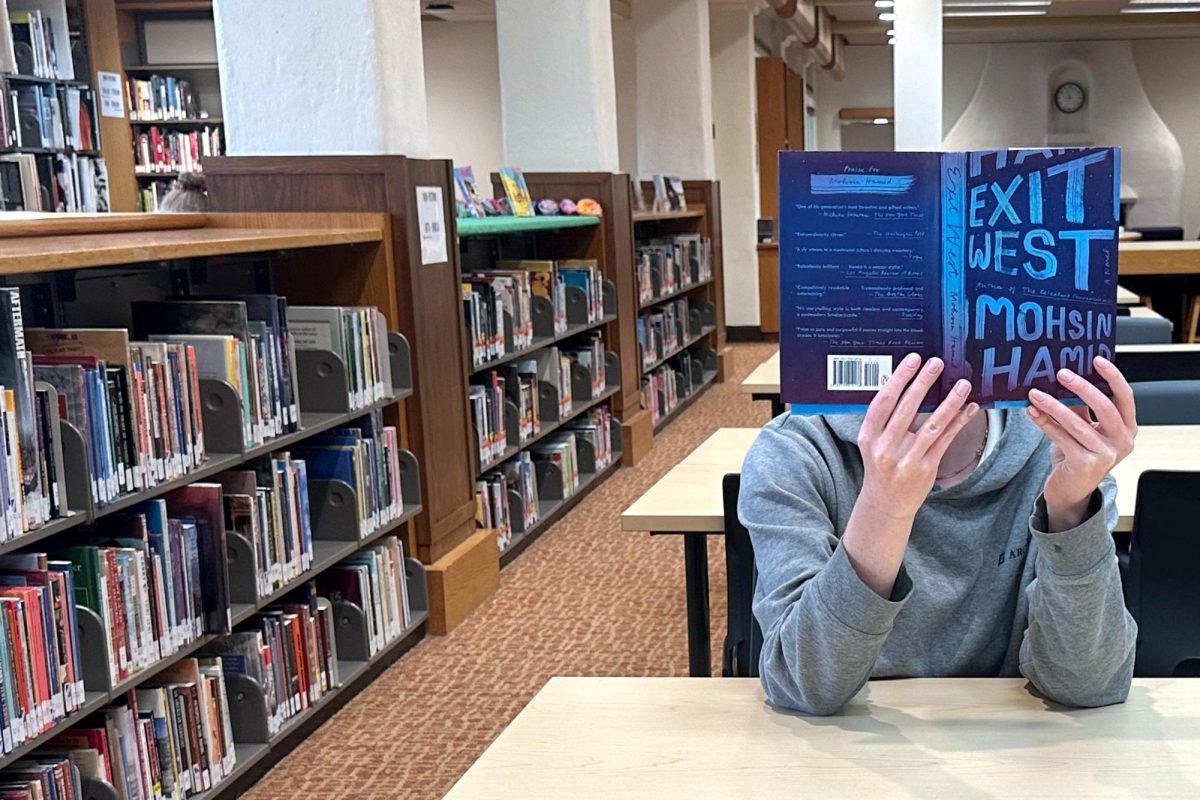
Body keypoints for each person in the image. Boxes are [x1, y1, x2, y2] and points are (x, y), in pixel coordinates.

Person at [739, 354, 1138, 715]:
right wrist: (885, 509)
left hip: (1016, 754)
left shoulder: (1059, 452)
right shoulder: (795, 453)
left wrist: (1069, 510)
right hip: (849, 759)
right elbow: (805, 685)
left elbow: (1089, 683)